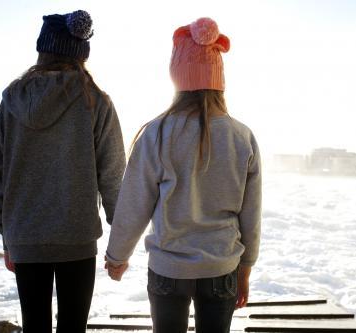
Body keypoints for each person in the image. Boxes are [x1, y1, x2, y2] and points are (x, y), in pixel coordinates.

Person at [105, 17, 262, 333]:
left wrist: (117, 255)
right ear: (219, 80)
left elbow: (135, 202)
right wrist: (245, 268)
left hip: (169, 269)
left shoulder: (156, 133)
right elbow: (251, 215)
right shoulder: (241, 136)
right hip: (222, 266)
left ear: (177, 78)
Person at [0, 10, 126, 333]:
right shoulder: (96, 101)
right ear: (81, 54)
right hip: (76, 239)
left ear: (42, 50)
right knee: (73, 328)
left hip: (25, 237)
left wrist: (6, 234)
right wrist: (121, 238)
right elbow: (114, 175)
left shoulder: (11, 101)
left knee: (34, 327)